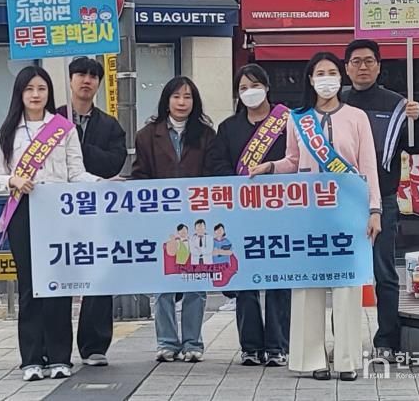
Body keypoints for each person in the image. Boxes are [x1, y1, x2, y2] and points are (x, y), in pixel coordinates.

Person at [250, 52, 381, 381]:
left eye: (332, 72)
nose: (326, 79)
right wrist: (270, 166)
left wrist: (374, 210)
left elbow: (368, 167)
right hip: (308, 211)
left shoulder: (357, 117)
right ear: (310, 79)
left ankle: (347, 360)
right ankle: (312, 360)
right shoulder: (298, 119)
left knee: (347, 286)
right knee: (308, 286)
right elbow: (293, 161)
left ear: (341, 77)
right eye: (320, 73)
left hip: (348, 211)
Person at [0, 66, 100, 381]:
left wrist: (103, 184)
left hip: (58, 212)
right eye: (29, 89)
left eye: (41, 89)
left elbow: (76, 173)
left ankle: (60, 357)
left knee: (59, 284)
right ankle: (31, 359)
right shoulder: (6, 134)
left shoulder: (63, 129)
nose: (35, 95)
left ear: (49, 92)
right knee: (29, 286)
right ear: (20, 94)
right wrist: (13, 180)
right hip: (23, 212)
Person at [342, 39, 419, 362]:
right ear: (347, 67)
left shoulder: (397, 105)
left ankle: (387, 341)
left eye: (369, 61)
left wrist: (417, 119)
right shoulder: (337, 102)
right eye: (356, 61)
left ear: (379, 66)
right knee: (342, 274)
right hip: (340, 202)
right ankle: (344, 342)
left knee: (385, 272)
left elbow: (418, 146)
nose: (362, 67)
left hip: (384, 200)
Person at [207, 63, 291, 367]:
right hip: (242, 213)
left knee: (279, 280)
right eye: (243, 88)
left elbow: (296, 161)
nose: (250, 92)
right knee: (244, 280)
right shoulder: (228, 128)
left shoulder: (287, 122)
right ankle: (251, 346)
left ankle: (278, 345)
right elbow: (217, 165)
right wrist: (238, 186)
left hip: (281, 212)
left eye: (254, 85)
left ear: (267, 87)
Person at [131, 76, 215, 363]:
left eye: (188, 97)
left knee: (196, 284)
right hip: (161, 219)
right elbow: (140, 175)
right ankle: (166, 342)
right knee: (163, 282)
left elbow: (213, 175)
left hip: (197, 219)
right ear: (166, 100)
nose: (182, 102)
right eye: (176, 96)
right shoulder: (147, 135)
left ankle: (193, 342)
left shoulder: (206, 135)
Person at [57, 56, 127, 368]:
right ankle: (56, 347)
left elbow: (113, 163)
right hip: (58, 212)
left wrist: (78, 146)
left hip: (97, 212)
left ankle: (94, 345)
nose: (86, 81)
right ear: (70, 79)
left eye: (92, 76)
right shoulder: (51, 120)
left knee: (99, 274)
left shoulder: (110, 125)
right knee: (58, 276)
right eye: (80, 75)